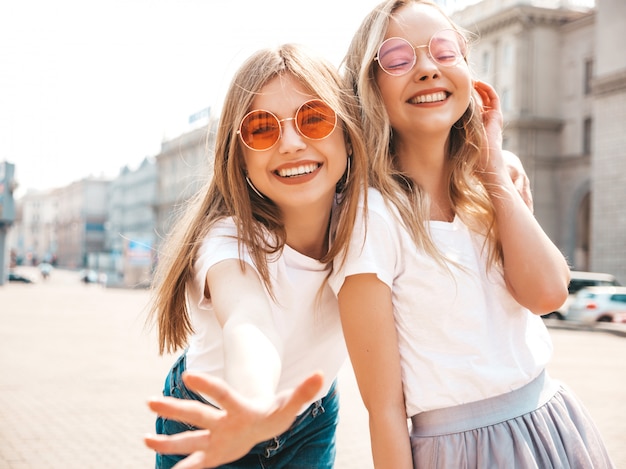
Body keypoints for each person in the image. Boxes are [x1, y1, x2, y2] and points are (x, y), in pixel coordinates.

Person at [331, 1, 615, 468]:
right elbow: (384, 412)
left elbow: (547, 294)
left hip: (555, 426)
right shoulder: (370, 218)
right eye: (398, 59)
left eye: (445, 52)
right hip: (461, 450)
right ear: (371, 88)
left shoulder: (491, 189)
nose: (426, 69)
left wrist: (493, 169)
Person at [144, 43, 368, 468]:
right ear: (240, 156)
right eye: (262, 129)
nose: (290, 143)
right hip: (215, 423)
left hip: (309, 419)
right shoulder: (227, 239)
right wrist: (254, 405)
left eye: (315, 119)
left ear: (349, 135)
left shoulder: (367, 219)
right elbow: (249, 318)